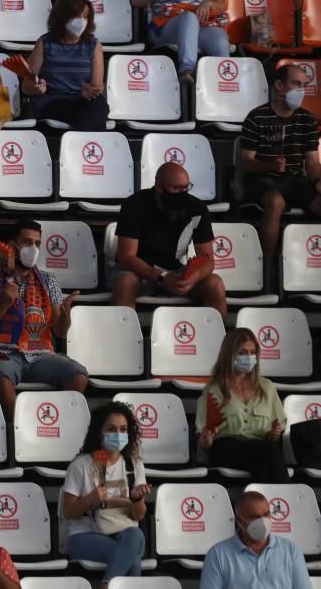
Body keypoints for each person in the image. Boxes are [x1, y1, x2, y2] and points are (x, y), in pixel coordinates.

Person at [0, 219, 88, 421]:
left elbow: (60, 331)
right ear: (12, 246)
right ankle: (20, 435)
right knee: (4, 378)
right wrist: (3, 304)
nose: (33, 249)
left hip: (39, 354)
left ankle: (64, 428)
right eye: (27, 242)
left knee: (78, 375)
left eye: (37, 244)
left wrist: (65, 316)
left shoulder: (49, 281)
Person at [111, 162, 228, 318]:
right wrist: (162, 277)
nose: (183, 193)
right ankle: (121, 338)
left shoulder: (196, 208)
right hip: (140, 272)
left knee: (215, 284)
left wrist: (194, 277)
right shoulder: (134, 205)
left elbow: (207, 260)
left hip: (178, 272)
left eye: (186, 187)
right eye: (177, 188)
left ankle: (223, 340)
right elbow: (126, 257)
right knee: (126, 282)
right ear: (159, 187)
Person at [62, 402, 151, 586]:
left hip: (124, 534)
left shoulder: (133, 465)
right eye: (111, 429)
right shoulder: (81, 466)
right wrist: (89, 500)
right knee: (131, 559)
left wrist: (137, 499)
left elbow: (138, 515)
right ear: (99, 432)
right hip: (84, 536)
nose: (118, 434)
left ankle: (107, 583)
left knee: (135, 535)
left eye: (123, 429)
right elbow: (68, 512)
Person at [238, 64, 321, 262]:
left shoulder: (307, 120)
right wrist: (269, 166)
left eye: (303, 85)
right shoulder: (256, 118)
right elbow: (246, 163)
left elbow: (312, 163)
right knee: (275, 202)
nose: (301, 90)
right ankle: (268, 266)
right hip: (261, 181)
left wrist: (318, 181)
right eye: (295, 84)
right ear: (279, 85)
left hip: (294, 181)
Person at [196, 328, 288, 483]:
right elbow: (203, 440)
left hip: (260, 449)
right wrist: (206, 439)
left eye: (252, 353)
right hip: (226, 449)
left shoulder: (267, 387)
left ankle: (266, 505)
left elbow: (273, 438)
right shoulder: (214, 389)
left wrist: (275, 433)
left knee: (261, 469)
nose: (249, 357)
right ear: (229, 354)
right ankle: (287, 496)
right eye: (243, 352)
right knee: (269, 450)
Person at [23, 0, 108, 131]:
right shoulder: (45, 43)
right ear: (62, 17)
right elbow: (26, 86)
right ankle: (89, 148)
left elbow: (97, 87)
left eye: (85, 16)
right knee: (91, 114)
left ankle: (84, 146)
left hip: (82, 101)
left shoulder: (94, 45)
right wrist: (36, 88)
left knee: (97, 104)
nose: (81, 21)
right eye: (76, 16)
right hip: (52, 102)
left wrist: (90, 91)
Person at [200, 491, 312, 589]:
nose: (263, 521)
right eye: (254, 517)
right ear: (239, 520)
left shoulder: (290, 550)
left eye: (266, 514)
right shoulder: (218, 554)